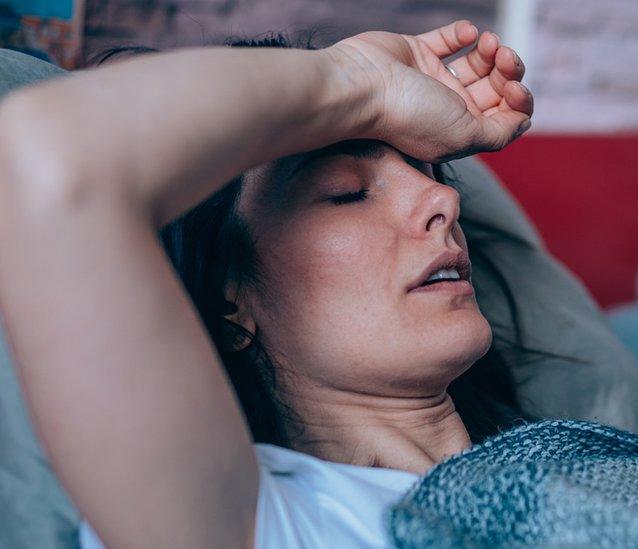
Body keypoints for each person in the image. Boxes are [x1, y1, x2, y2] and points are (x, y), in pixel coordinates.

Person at [0, 20, 534, 548]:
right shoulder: (244, 522)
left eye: (432, 175)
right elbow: (45, 156)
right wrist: (359, 78)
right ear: (228, 304)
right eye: (346, 192)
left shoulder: (573, 460)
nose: (445, 202)